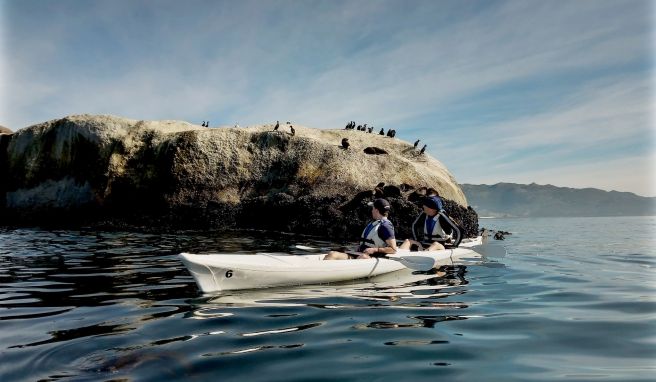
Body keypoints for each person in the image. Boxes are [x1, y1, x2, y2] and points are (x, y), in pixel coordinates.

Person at [324, 198, 397, 260]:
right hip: (360, 253)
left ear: (377, 210)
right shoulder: (373, 223)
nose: (371, 211)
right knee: (332, 254)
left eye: (373, 208)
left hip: (372, 257)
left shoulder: (386, 226)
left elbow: (393, 249)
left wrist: (375, 250)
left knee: (362, 257)